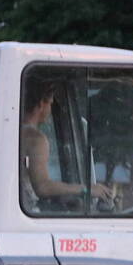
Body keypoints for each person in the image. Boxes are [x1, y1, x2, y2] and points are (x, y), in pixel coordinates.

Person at [20, 80, 114, 211]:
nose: (51, 108)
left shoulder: (13, 132)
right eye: (51, 103)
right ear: (42, 103)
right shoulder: (36, 140)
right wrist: (87, 189)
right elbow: (42, 187)